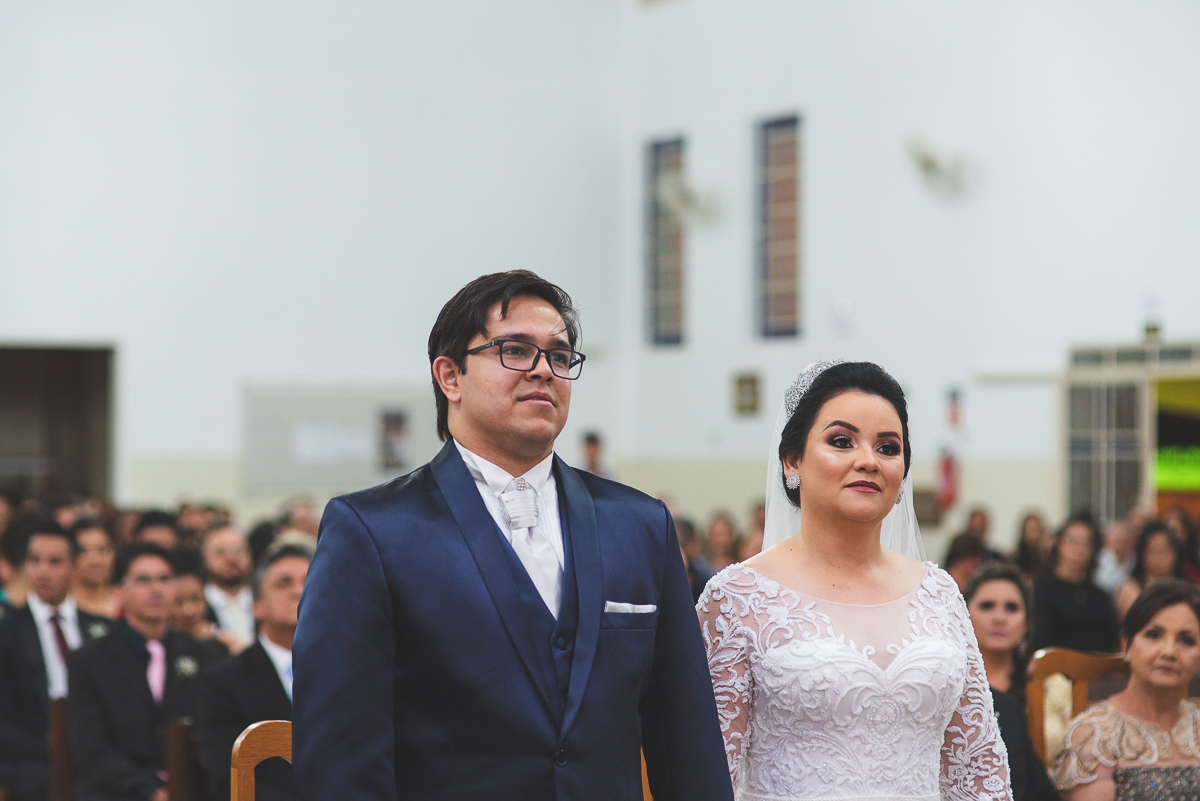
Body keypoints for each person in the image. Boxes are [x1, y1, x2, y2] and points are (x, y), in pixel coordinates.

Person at [293, 271, 732, 801]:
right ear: (450, 376)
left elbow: (684, 737)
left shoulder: (639, 525)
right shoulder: (372, 532)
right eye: (516, 351)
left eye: (560, 356)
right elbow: (341, 763)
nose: (544, 371)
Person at [697, 360, 1010, 801]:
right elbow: (710, 774)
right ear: (792, 460)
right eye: (841, 441)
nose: (868, 461)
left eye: (887, 448)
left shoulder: (939, 594)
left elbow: (977, 765)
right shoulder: (736, 599)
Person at [67, 542, 219, 801]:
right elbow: (91, 749)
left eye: (165, 579)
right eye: (143, 580)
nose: (156, 589)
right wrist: (148, 792)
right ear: (119, 592)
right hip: (118, 792)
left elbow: (214, 734)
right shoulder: (89, 661)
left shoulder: (205, 656)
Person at [1055, 579, 1200, 801]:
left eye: (1186, 640)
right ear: (1126, 645)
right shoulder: (1094, 735)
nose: (1170, 651)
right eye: (1154, 635)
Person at [0, 518, 111, 801]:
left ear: (75, 568)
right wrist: (53, 747)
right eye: (34, 560)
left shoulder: (100, 630)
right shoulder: (7, 632)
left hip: (96, 750)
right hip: (33, 756)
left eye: (54, 561)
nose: (42, 571)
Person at [195, 542, 311, 801]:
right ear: (257, 605)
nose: (298, 591)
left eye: (308, 581)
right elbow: (227, 777)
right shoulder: (223, 682)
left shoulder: (348, 672)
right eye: (283, 583)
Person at [964, 564, 1063, 801]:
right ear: (963, 614)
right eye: (987, 606)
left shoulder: (1053, 686)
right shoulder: (948, 688)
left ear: (1027, 623)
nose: (999, 618)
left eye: (1012, 608)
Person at [1032, 514, 1120, 653]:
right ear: (1059, 545)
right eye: (1072, 541)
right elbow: (1041, 641)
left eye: (1087, 542)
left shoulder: (1099, 596)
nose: (1079, 548)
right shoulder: (1043, 591)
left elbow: (1111, 641)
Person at [1113, 522, 1182, 623]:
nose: (1160, 557)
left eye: (1165, 550)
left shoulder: (1187, 588)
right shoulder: (1130, 589)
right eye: (1153, 550)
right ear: (1142, 554)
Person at [201, 524, 255, 648]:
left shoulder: (264, 601)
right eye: (221, 552)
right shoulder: (198, 606)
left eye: (238, 550)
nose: (232, 559)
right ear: (205, 558)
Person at [71, 518, 118, 618]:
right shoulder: (59, 609)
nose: (95, 561)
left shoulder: (126, 604)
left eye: (102, 549)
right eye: (83, 551)